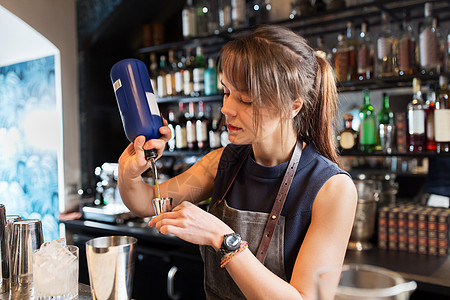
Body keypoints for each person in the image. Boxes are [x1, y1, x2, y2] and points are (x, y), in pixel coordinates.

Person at [118, 25, 357, 300]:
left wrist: (223, 238)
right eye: (227, 92)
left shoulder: (332, 188)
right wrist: (131, 172)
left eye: (246, 99)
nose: (227, 108)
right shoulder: (222, 162)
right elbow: (147, 202)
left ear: (294, 106)